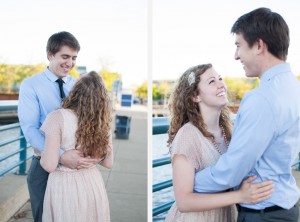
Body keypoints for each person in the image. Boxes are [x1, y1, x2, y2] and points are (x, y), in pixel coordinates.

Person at [194, 8, 300, 222]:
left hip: (262, 213)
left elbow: (233, 170)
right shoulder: (294, 88)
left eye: (238, 45)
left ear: (259, 45)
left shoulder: (262, 98)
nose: (236, 55)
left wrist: (190, 182)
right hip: (286, 206)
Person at [164, 63, 274, 222]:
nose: (221, 84)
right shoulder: (188, 135)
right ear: (196, 96)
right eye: (211, 81)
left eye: (220, 78)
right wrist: (240, 196)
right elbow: (184, 202)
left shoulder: (230, 131)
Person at [18, 31, 99, 222]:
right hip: (44, 166)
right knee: (45, 217)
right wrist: (62, 155)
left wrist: (91, 153)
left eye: (73, 58)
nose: (69, 63)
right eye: (65, 56)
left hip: (77, 168)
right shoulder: (31, 85)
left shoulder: (79, 84)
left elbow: (92, 121)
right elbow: (29, 129)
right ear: (50, 54)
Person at [40, 71, 113, 221]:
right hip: (93, 184)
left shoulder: (57, 117)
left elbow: (49, 165)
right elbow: (108, 163)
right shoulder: (103, 124)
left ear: (75, 93)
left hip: (64, 186)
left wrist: (41, 153)